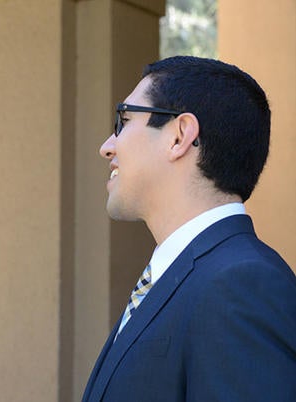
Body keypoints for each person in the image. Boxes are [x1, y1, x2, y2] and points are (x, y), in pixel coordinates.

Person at [82, 56, 296, 401]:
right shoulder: (183, 276)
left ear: (179, 136)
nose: (107, 146)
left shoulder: (240, 283)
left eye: (124, 120)